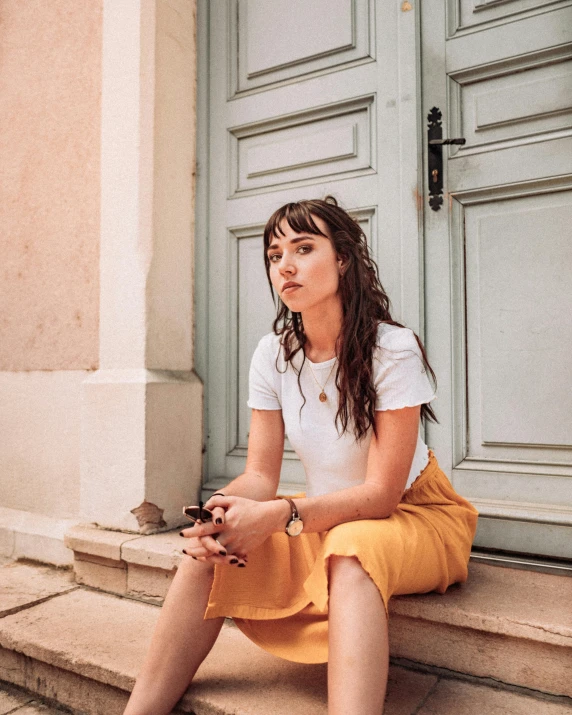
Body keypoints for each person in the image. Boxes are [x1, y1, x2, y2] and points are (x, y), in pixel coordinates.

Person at [123, 196, 479, 715]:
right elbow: (261, 475)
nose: (285, 265)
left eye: (304, 248)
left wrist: (278, 517)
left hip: (413, 514)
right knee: (206, 550)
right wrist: (223, 507)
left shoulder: (392, 349)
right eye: (273, 255)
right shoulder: (272, 354)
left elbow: (381, 496)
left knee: (351, 548)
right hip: (329, 513)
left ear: (342, 260)